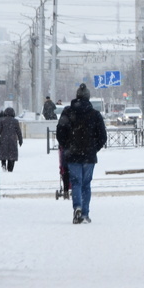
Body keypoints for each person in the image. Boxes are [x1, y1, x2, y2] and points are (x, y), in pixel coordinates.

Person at [56, 83, 107, 224]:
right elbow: (103, 136)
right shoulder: (95, 114)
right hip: (89, 155)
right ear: (88, 98)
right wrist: (93, 148)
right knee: (86, 184)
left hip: (72, 154)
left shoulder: (67, 112)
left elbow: (60, 132)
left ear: (77, 96)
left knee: (76, 182)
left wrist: (67, 146)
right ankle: (85, 213)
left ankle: (77, 207)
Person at [0, 107, 23, 172]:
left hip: (3, 140)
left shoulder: (2, 121)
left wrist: (3, 132)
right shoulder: (15, 121)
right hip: (12, 140)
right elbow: (18, 132)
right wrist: (20, 140)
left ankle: (3, 164)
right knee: (12, 155)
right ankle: (10, 169)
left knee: (3, 154)